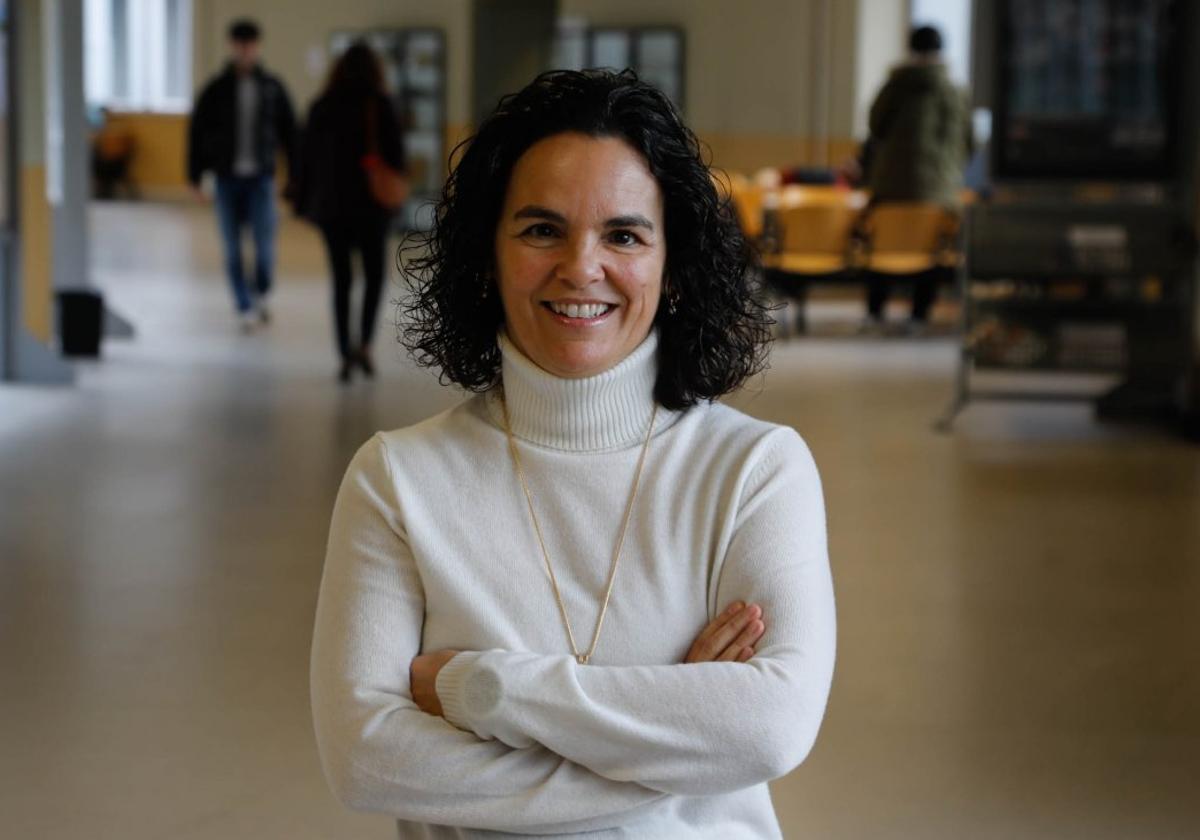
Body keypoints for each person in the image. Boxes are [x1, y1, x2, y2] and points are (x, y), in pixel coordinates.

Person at [310, 69, 836, 838]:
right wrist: (674, 745)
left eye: (623, 234)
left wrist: (484, 690)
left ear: (672, 263)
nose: (581, 268)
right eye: (541, 229)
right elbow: (366, 760)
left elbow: (769, 729)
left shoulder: (755, 471)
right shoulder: (398, 480)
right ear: (487, 254)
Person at [292, 42, 406, 383]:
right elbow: (398, 158)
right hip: (372, 209)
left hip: (332, 208)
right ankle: (366, 346)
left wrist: (303, 204)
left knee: (341, 280)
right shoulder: (381, 106)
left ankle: (344, 351)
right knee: (373, 277)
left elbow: (304, 160)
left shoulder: (321, 106)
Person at [187, 19, 297, 332]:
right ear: (231, 46)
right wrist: (194, 177)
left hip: (261, 180)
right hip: (226, 181)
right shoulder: (216, 89)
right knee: (232, 248)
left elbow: (291, 133)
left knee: (264, 248)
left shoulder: (272, 87)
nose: (244, 50)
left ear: (257, 47)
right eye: (239, 44)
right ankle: (244, 305)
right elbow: (197, 134)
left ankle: (260, 292)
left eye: (249, 44)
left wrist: (295, 176)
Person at [863, 25, 973, 331]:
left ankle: (875, 312)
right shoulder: (956, 91)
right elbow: (969, 140)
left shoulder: (896, 85)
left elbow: (875, 125)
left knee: (881, 245)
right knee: (931, 250)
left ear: (910, 48)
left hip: (891, 187)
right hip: (939, 192)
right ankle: (919, 315)